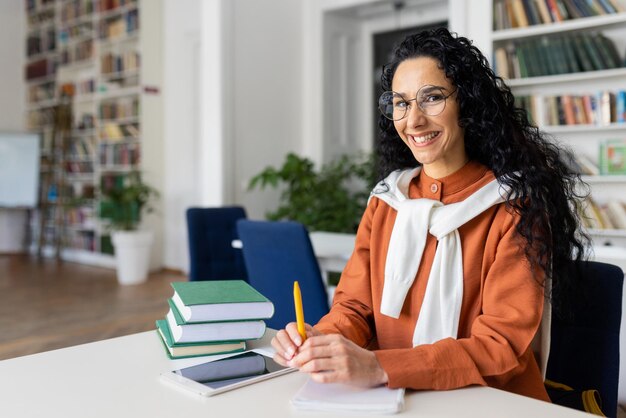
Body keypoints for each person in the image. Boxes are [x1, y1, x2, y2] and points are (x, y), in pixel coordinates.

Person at [271, 27, 587, 401]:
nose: (413, 120)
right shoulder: (387, 199)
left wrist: (379, 367)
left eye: (432, 98)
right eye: (401, 103)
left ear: (467, 104)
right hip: (391, 396)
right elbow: (355, 307)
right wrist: (324, 339)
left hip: (488, 399)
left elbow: (500, 345)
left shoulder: (513, 207)